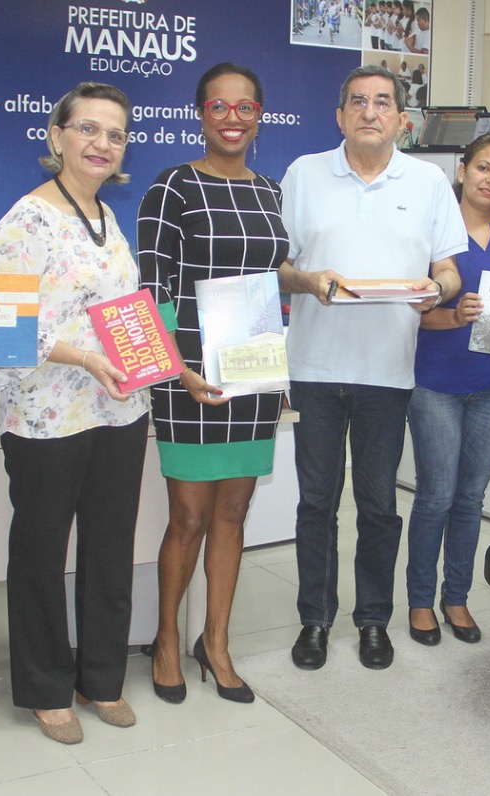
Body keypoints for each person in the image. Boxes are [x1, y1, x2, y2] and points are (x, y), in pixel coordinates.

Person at [280, 64, 466, 672]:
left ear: (401, 120)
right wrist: (309, 280)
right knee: (316, 501)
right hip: (314, 366)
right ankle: (315, 618)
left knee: (379, 503)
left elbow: (451, 273)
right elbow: (277, 268)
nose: (369, 111)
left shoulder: (430, 182)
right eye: (357, 101)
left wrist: (434, 290)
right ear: (339, 116)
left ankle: (372, 619)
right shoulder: (304, 174)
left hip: (388, 370)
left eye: (382, 102)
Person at [0, 82, 150, 744]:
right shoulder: (22, 222)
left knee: (109, 547)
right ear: (55, 137)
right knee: (41, 552)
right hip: (46, 416)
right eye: (87, 129)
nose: (101, 144)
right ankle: (46, 686)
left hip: (118, 410)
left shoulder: (107, 219)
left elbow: (121, 314)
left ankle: (101, 678)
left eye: (114, 134)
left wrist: (167, 365)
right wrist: (79, 357)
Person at [136, 63, 288, 706]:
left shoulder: (271, 191)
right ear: (200, 113)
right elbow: (151, 291)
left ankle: (216, 642)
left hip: (250, 371)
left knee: (233, 512)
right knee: (189, 517)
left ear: (259, 115)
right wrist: (180, 369)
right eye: (219, 107)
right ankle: (167, 638)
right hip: (186, 376)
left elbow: (275, 283)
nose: (232, 118)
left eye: (245, 107)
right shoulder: (170, 188)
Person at [405, 133, 490, 646]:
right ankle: (418, 602)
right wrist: (454, 315)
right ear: (462, 168)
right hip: (435, 383)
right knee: (435, 496)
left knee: (471, 497)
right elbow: (410, 315)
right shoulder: (432, 228)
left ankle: (457, 598)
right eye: (482, 167)